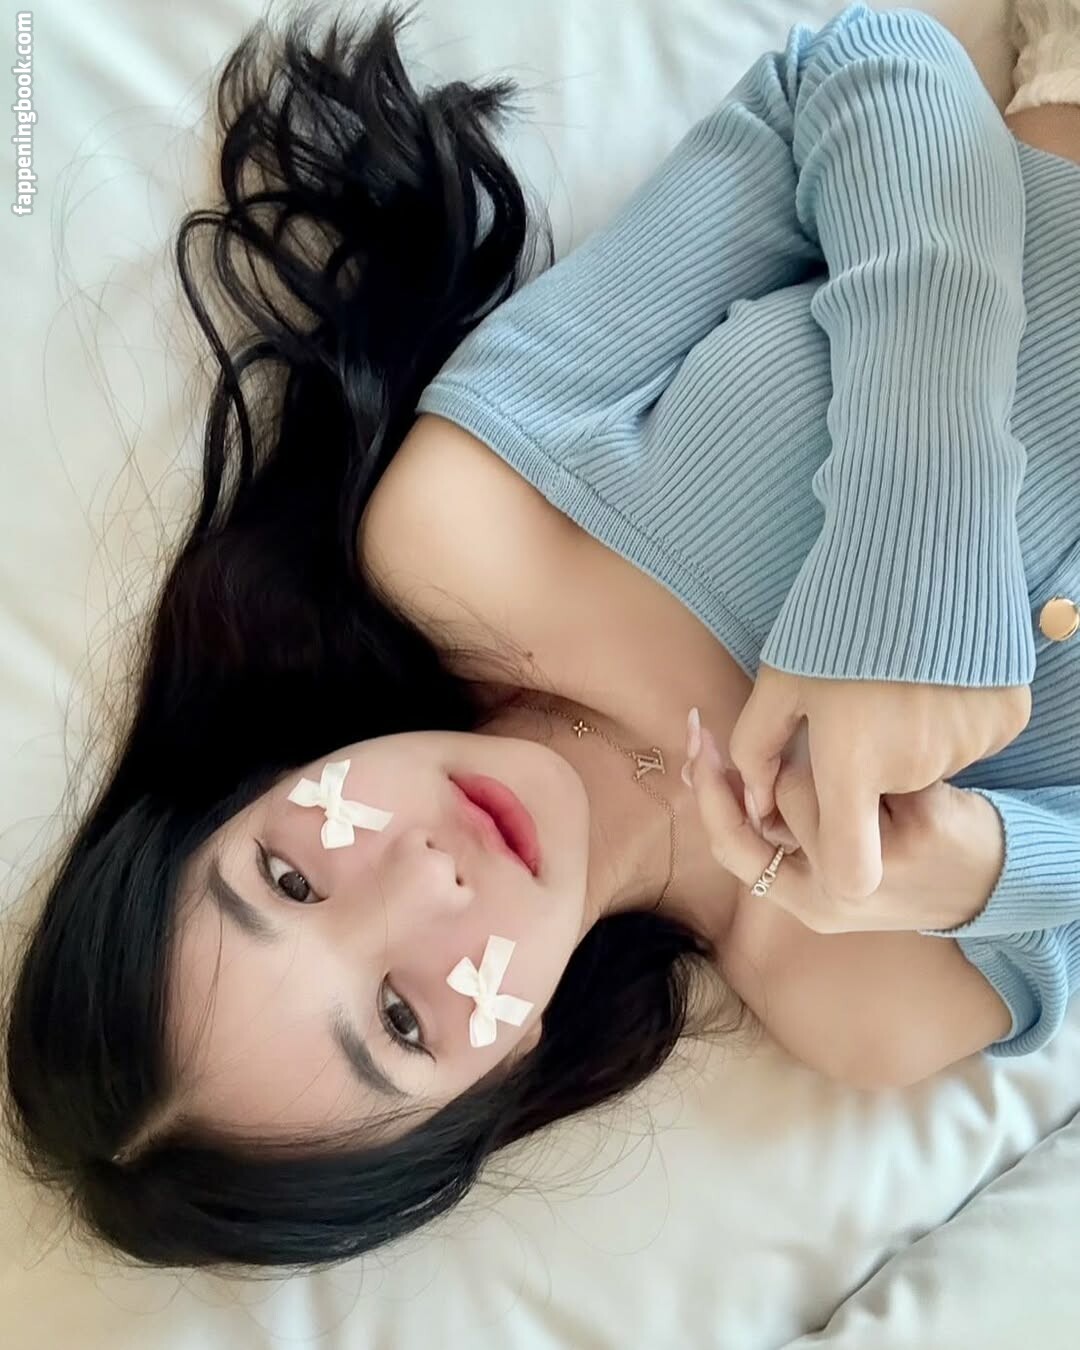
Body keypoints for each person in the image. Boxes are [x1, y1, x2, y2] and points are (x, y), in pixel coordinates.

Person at [3, 0, 1079, 1273]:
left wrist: (917, 532)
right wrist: (986, 869)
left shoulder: (468, 536)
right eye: (403, 1018)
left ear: (247, 790)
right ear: (498, 1078)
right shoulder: (853, 991)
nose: (427, 877)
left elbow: (863, 72)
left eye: (288, 878)